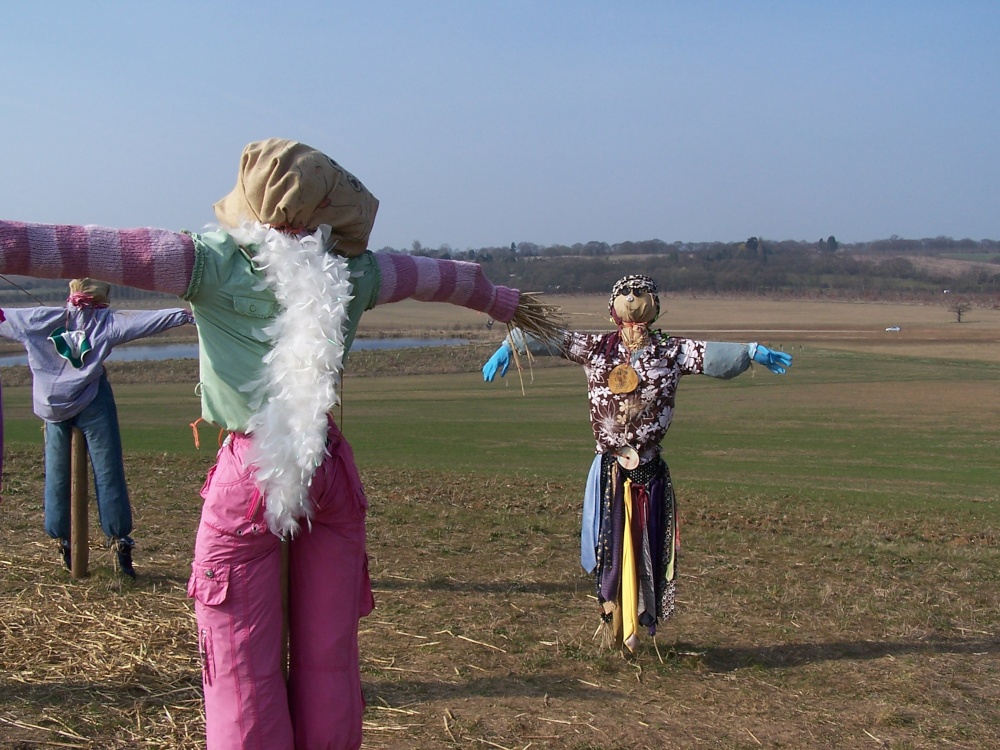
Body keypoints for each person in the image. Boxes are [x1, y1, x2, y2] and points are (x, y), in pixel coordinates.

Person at [0, 137, 561, 750]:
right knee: (329, 659)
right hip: (327, 467)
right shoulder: (356, 271)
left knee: (240, 666)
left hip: (251, 474)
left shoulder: (205, 261)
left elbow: (72, 247)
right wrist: (505, 303)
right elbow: (446, 279)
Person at [482, 274, 792, 652]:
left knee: (646, 545)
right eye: (625, 293)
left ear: (655, 305)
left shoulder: (671, 351)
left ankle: (639, 621)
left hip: (649, 469)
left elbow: (708, 355)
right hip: (610, 469)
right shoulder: (597, 348)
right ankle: (613, 619)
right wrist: (511, 344)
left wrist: (750, 352)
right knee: (611, 547)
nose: (633, 298)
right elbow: (556, 338)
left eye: (641, 293)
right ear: (612, 306)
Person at [0, 279, 194, 578]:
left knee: (56, 473)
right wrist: (187, 314)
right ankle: (119, 542)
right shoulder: (106, 322)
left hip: (52, 407)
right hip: (92, 402)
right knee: (108, 470)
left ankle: (62, 541)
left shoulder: (37, 318)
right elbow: (149, 320)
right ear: (103, 300)